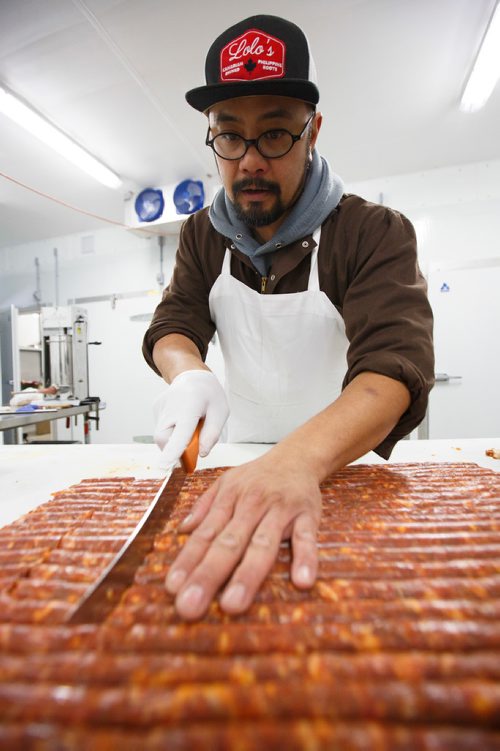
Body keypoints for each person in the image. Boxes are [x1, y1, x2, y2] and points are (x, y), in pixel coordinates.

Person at [143, 14, 434, 621]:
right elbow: (175, 324)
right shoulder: (202, 234)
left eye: (274, 135)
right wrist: (188, 373)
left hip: (340, 467)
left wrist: (298, 462)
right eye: (229, 137)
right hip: (244, 466)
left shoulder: (371, 232)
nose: (249, 162)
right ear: (211, 136)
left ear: (313, 131)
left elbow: (392, 370)